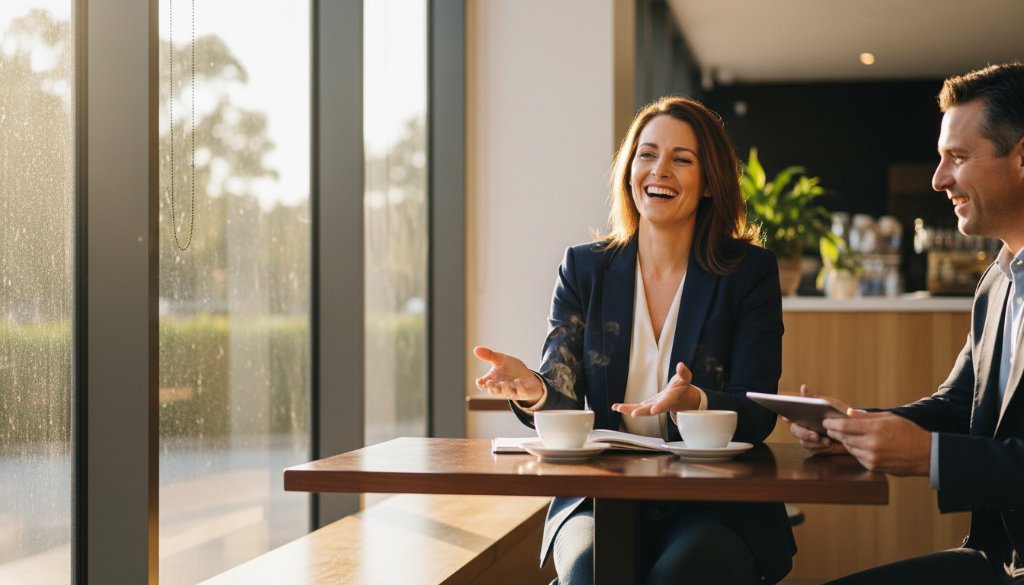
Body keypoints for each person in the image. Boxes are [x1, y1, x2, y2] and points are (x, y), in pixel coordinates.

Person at [474, 96, 795, 585]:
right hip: (602, 495)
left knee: (676, 578)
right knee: (590, 574)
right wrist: (532, 389)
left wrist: (698, 401)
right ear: (629, 170)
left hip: (716, 503)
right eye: (647, 154)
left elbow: (757, 413)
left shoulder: (748, 273)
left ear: (710, 181)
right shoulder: (585, 268)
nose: (658, 170)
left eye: (681, 159)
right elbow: (560, 386)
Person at [790, 62, 1024, 585]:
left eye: (957, 158)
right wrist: (857, 426)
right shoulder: (996, 284)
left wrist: (932, 456)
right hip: (996, 562)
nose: (938, 179)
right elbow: (957, 404)